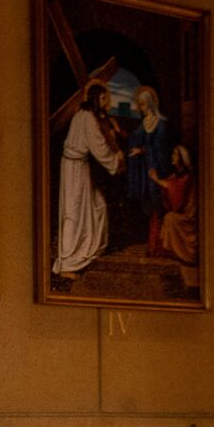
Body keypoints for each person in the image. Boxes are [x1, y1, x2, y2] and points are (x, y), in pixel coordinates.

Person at [52, 81, 124, 279]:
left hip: (77, 166)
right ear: (94, 99)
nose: (106, 101)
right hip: (74, 169)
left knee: (97, 205)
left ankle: (93, 248)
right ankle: (67, 263)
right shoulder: (87, 118)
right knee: (73, 213)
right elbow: (99, 146)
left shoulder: (84, 115)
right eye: (102, 98)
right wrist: (116, 162)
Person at [123, 87, 173, 254]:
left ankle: (160, 245)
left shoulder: (161, 124)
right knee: (148, 206)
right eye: (139, 105)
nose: (140, 108)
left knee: (158, 205)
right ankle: (152, 244)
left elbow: (161, 149)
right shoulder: (143, 124)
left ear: (150, 104)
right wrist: (120, 133)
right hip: (146, 171)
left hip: (157, 169)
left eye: (143, 104)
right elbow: (133, 138)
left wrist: (143, 151)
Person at [150, 144, 198, 284]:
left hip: (188, 215)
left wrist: (157, 180)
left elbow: (177, 194)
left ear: (181, 159)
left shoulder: (187, 176)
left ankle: (182, 254)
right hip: (182, 211)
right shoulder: (176, 174)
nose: (172, 157)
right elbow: (171, 185)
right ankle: (175, 253)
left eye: (174, 155)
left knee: (170, 218)